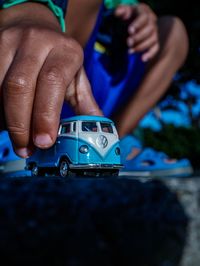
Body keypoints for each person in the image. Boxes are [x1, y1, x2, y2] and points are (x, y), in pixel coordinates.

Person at [0, 0, 193, 176]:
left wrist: (138, 12)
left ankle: (116, 142)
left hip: (101, 86)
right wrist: (32, 9)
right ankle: (15, 133)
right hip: (36, 63)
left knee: (172, 31)